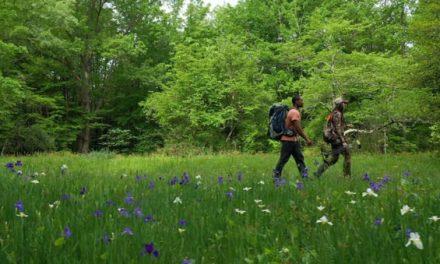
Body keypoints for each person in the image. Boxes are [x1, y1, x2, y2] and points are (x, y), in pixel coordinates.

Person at [273, 94, 313, 180]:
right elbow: (298, 127)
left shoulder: (292, 111)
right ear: (296, 101)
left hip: (293, 141)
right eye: (301, 100)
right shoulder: (294, 112)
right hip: (288, 141)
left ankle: (305, 177)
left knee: (299, 159)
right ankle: (276, 177)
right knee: (283, 159)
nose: (303, 102)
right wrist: (307, 139)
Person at [316, 97, 351, 178]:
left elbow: (336, 126)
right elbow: (337, 129)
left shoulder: (335, 113)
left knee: (334, 159)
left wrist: (346, 126)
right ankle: (347, 176)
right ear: (339, 105)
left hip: (335, 139)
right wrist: (343, 141)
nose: (344, 105)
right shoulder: (337, 113)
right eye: (343, 103)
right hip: (337, 139)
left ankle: (319, 172)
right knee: (347, 154)